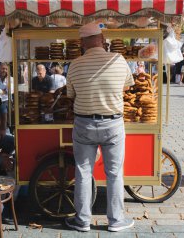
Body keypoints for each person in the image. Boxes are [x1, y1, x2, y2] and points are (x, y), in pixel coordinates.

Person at [65, 23, 135, 232]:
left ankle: (83, 220)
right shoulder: (118, 60)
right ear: (102, 38)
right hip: (113, 123)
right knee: (114, 173)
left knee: (83, 172)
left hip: (84, 123)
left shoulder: (75, 65)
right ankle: (115, 221)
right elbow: (126, 86)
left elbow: (71, 95)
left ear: (82, 42)